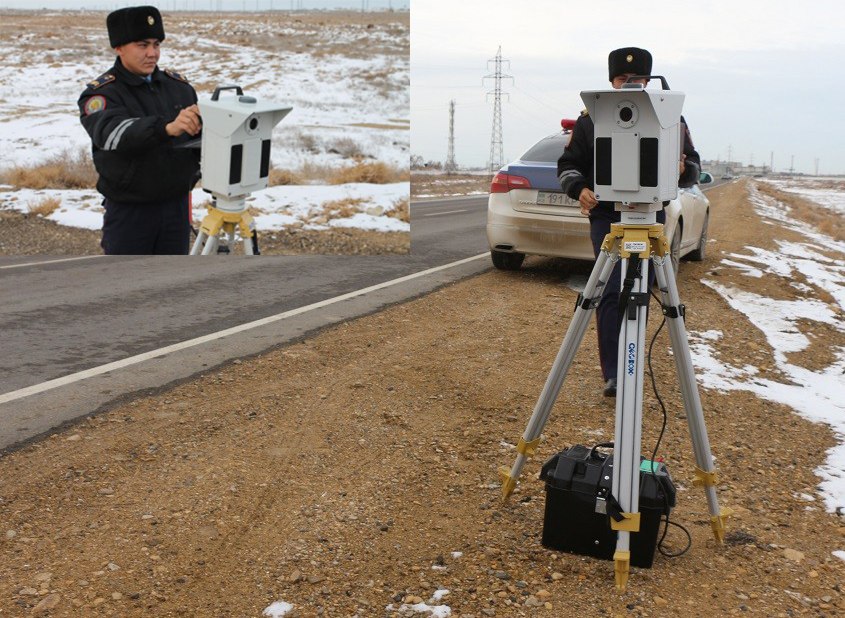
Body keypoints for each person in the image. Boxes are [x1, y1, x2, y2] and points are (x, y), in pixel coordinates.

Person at [557, 46, 701, 397]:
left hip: (650, 215)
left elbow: (694, 167)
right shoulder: (591, 120)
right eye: (622, 79)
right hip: (607, 216)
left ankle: (632, 362)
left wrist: (683, 170)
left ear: (649, 81)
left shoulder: (671, 119)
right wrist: (580, 189)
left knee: (640, 288)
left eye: (637, 79)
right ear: (611, 81)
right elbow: (567, 166)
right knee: (609, 291)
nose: (629, 85)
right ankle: (615, 373)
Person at [78, 5, 202, 255]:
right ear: (119, 47)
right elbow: (111, 133)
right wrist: (165, 128)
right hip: (131, 213)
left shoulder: (179, 88)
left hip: (176, 208)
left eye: (156, 44)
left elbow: (195, 139)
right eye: (142, 45)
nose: (152, 54)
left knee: (171, 287)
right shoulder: (101, 93)